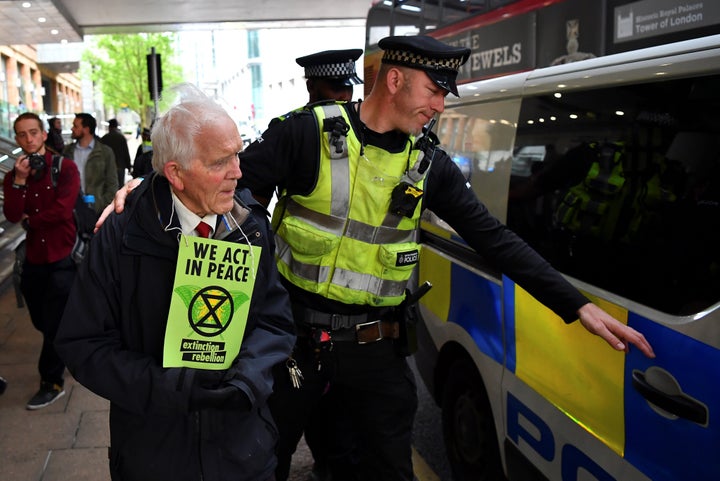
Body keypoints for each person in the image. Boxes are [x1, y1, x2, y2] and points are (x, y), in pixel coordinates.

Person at [103, 36, 656, 481]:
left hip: (377, 353)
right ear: (395, 80)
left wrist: (575, 305)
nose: (440, 104)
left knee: (385, 469)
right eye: (435, 90)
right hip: (294, 346)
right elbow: (219, 182)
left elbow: (492, 237)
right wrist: (148, 191)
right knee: (259, 461)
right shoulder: (305, 134)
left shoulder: (430, 165)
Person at [55, 84, 296, 481]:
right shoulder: (121, 236)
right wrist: (168, 387)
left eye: (237, 153)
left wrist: (250, 378)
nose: (238, 171)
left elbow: (275, 320)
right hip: (155, 456)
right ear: (176, 174)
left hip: (243, 454)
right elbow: (83, 345)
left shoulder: (249, 228)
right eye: (221, 162)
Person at [273, 47, 365, 481]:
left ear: (310, 85)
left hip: (298, 314)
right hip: (349, 327)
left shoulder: (293, 129)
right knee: (338, 435)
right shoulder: (367, 134)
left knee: (281, 432)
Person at [2, 112, 80, 410]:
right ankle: (71, 351)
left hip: (63, 255)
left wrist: (30, 220)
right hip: (34, 258)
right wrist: (20, 181)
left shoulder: (64, 167)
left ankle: (52, 382)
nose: (28, 139)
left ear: (44, 135)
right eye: (22, 135)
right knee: (41, 321)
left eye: (34, 132)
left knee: (55, 324)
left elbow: (62, 211)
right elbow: (11, 214)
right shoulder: (14, 175)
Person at [63, 112, 118, 215]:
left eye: (75, 126)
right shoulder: (67, 152)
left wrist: (101, 205)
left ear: (86, 129)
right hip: (72, 210)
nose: (72, 129)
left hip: (96, 211)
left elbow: (112, 183)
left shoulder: (105, 152)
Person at [295, 48, 363, 104]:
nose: (346, 97)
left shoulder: (358, 118)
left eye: (350, 87)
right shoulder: (296, 120)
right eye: (337, 88)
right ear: (311, 87)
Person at [100, 118, 132, 187]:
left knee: (109, 187)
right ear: (116, 126)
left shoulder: (104, 138)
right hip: (120, 166)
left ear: (109, 127)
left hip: (107, 167)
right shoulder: (121, 138)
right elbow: (126, 152)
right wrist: (129, 166)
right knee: (120, 186)